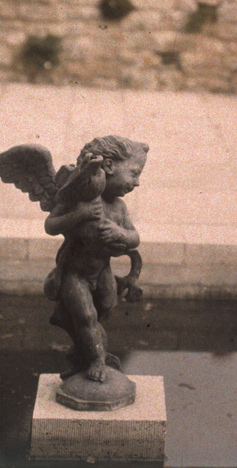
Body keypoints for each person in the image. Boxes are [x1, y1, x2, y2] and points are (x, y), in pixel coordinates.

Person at [44, 135, 148, 382]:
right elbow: (51, 225)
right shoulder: (76, 198)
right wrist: (80, 214)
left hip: (102, 271)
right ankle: (96, 361)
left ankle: (82, 348)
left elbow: (134, 238)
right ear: (109, 166)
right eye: (134, 174)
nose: (137, 182)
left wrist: (120, 233)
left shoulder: (118, 207)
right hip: (75, 272)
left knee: (108, 306)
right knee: (87, 317)